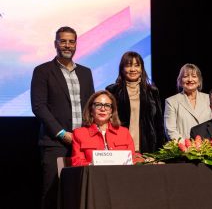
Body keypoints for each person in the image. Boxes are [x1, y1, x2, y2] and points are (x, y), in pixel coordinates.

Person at [31, 26, 95, 209]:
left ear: (76, 44)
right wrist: (61, 133)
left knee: (81, 191)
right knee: (53, 192)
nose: (67, 45)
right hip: (55, 143)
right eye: (63, 41)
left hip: (83, 142)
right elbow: (39, 107)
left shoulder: (85, 72)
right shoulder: (42, 71)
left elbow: (91, 105)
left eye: (71, 41)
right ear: (55, 44)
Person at [106, 51, 166, 153]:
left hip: (147, 149)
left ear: (141, 69)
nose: (133, 69)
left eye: (137, 66)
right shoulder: (112, 90)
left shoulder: (152, 91)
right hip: (119, 147)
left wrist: (160, 151)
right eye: (128, 66)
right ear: (122, 69)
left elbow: (158, 123)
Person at [71, 90, 136, 166]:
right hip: (94, 175)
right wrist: (92, 165)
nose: (103, 109)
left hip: (121, 175)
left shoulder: (124, 132)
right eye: (98, 105)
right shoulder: (79, 134)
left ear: (112, 112)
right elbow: (76, 162)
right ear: (91, 110)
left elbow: (133, 158)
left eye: (107, 105)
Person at [164, 63, 212, 141]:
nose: (190, 79)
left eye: (194, 76)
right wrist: (187, 146)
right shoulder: (171, 102)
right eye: (186, 76)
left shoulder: (209, 99)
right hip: (183, 150)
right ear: (180, 81)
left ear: (199, 81)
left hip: (207, 148)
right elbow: (170, 130)